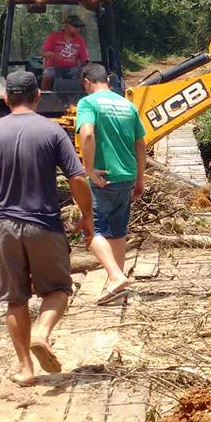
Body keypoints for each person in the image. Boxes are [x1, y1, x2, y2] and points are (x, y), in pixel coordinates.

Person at [0, 70, 94, 386]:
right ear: (38, 96)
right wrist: (88, 216)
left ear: (7, 99)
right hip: (43, 225)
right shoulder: (52, 131)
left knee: (15, 299)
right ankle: (43, 331)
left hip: (4, 226)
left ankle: (25, 369)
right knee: (59, 290)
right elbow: (77, 178)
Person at [76, 63, 146, 305]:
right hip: (127, 176)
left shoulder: (88, 103)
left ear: (87, 82)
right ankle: (118, 287)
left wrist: (88, 170)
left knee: (91, 231)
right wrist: (140, 178)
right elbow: (140, 144)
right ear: (107, 79)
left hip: (104, 177)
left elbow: (86, 134)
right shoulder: (127, 105)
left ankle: (116, 276)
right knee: (117, 233)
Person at [40, 14, 90, 91]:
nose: (78, 29)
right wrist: (48, 54)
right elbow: (42, 52)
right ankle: (45, 97)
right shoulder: (54, 36)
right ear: (67, 25)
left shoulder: (80, 41)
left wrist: (85, 66)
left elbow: (84, 59)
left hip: (72, 68)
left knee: (85, 77)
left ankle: (79, 97)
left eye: (79, 27)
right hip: (54, 67)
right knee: (48, 74)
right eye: (75, 26)